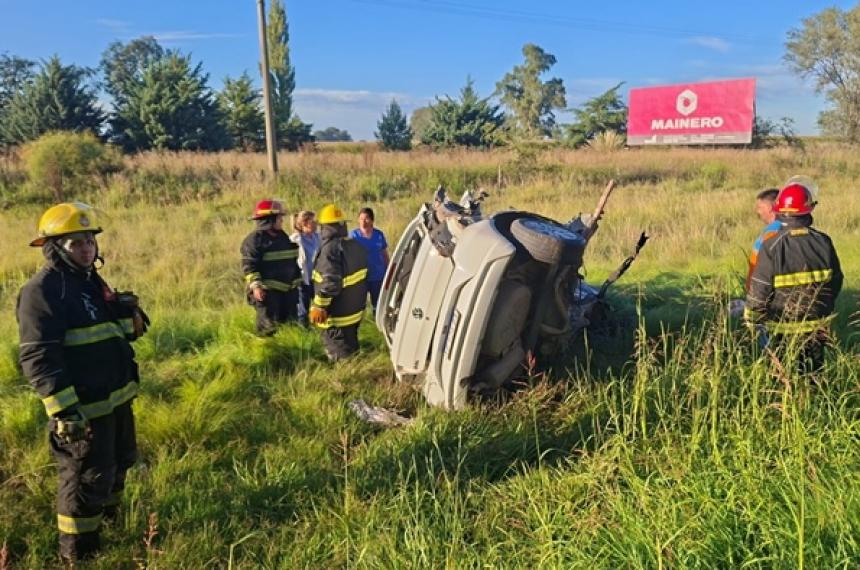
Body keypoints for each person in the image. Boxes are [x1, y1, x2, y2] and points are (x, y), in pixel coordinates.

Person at [16, 202, 147, 563]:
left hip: (116, 400)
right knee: (86, 479)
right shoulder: (41, 291)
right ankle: (79, 554)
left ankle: (112, 525)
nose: (87, 248)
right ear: (54, 247)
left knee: (120, 464)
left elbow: (113, 337)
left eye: (90, 240)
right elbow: (38, 356)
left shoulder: (91, 282)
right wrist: (65, 411)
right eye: (76, 243)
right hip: (83, 410)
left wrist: (128, 314)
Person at [744, 182, 843, 373]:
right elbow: (836, 281)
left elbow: (760, 289)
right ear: (809, 209)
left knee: (783, 380)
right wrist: (820, 307)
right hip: (816, 327)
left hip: (780, 330)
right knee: (814, 376)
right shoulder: (823, 241)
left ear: (779, 211)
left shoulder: (771, 245)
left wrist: (752, 319)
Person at [309, 204, 368, 361]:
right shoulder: (354, 245)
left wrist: (319, 305)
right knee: (352, 349)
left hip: (336, 317)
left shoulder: (330, 250)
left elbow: (331, 283)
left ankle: (348, 381)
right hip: (354, 313)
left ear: (325, 227)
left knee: (341, 358)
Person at [240, 199, 301, 335]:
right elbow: (249, 266)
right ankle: (268, 352)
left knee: (290, 327)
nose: (282, 221)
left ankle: (288, 354)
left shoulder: (282, 237)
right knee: (268, 328)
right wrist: (256, 286)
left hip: (288, 291)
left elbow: (290, 260)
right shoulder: (254, 241)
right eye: (279, 217)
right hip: (267, 293)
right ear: (269, 219)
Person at [349, 207, 389, 312]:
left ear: (372, 220)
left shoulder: (379, 235)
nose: (363, 221)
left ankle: (377, 322)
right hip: (361, 276)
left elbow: (384, 254)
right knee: (359, 303)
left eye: (366, 218)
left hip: (377, 274)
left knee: (378, 303)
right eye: (361, 218)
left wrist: (388, 269)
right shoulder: (354, 236)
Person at [290, 210, 321, 326]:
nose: (316, 223)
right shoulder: (294, 240)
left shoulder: (318, 237)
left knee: (319, 306)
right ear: (304, 223)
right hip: (303, 279)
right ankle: (303, 332)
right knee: (303, 309)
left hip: (317, 278)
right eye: (313, 221)